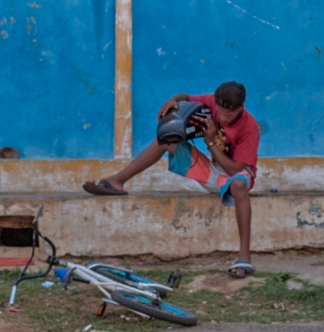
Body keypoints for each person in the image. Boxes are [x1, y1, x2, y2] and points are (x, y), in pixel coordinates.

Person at [82, 80, 261, 278]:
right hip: (215, 172)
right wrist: (172, 100)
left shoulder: (249, 127)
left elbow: (235, 168)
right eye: (220, 112)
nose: (224, 118)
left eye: (230, 115)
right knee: (166, 140)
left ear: (241, 108)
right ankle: (116, 181)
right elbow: (186, 96)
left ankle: (244, 254)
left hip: (239, 177)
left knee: (237, 184)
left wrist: (210, 142)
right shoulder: (211, 101)